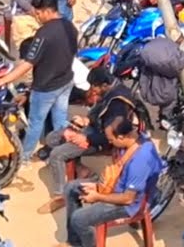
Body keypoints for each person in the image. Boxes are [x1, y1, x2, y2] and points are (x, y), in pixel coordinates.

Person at [0, 0, 78, 163]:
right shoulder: (69, 26)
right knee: (60, 120)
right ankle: (60, 154)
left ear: (46, 11)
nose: (37, 17)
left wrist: (1, 80)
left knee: (35, 123)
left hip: (45, 88)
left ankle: (24, 157)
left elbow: (28, 64)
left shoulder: (44, 34)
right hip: (66, 81)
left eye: (38, 13)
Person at [38, 66, 137, 214]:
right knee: (52, 138)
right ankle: (81, 170)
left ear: (104, 85)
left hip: (101, 139)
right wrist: (85, 120)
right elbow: (98, 112)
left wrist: (85, 138)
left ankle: (60, 196)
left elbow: (111, 136)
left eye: (94, 86)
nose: (92, 90)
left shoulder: (118, 103)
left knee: (57, 154)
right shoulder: (111, 89)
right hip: (93, 129)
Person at [60, 116, 163, 247]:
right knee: (71, 188)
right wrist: (99, 186)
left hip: (129, 204)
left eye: (111, 140)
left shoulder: (140, 161)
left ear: (121, 137)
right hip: (114, 185)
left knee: (79, 219)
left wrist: (98, 196)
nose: (110, 143)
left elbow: (128, 199)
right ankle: (74, 242)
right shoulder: (134, 137)